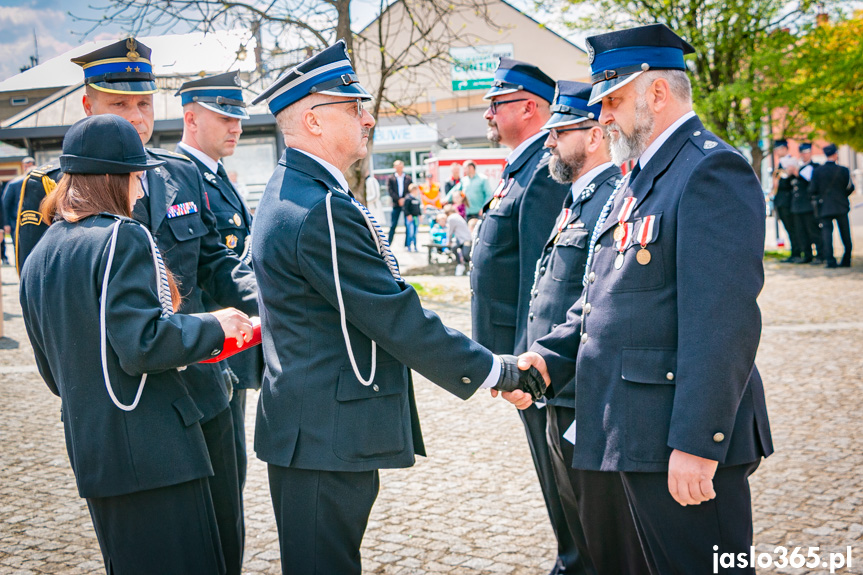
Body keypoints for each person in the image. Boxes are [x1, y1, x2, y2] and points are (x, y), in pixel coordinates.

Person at [249, 41, 544, 575]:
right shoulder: (321, 209)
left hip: (312, 430)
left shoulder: (294, 190)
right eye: (353, 107)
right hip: (325, 435)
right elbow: (395, 316)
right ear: (314, 121)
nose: (368, 117)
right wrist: (496, 371)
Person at [523, 24, 773, 574]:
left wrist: (698, 444)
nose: (603, 116)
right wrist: (546, 360)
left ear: (655, 93)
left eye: (610, 100)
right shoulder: (635, 178)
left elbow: (722, 324)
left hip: (675, 444)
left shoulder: (709, 170)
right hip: (627, 435)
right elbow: (603, 303)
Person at [13, 38, 260, 575]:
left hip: (206, 390)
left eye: (144, 103)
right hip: (135, 408)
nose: (136, 117)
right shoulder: (51, 189)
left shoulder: (181, 173)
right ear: (87, 106)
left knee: (222, 542)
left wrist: (274, 309)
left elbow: (217, 266)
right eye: (119, 104)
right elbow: (51, 309)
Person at [528, 80, 648, 575]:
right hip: (560, 385)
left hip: (585, 390)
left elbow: (596, 301)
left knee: (603, 524)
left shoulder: (607, 200)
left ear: (594, 136)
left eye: (559, 130)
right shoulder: (578, 199)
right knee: (575, 516)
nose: (549, 140)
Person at [470, 57, 578, 575]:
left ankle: (577, 560)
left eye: (497, 104)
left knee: (562, 475)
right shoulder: (523, 166)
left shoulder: (543, 173)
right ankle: (572, 555)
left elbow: (546, 288)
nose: (488, 114)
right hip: (520, 360)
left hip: (535, 363)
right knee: (550, 470)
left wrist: (526, 366)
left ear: (531, 108)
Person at [175, 71, 263, 508]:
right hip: (206, 349)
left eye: (238, 117)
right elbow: (208, 268)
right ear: (190, 117)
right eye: (225, 116)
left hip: (233, 346)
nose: (237, 126)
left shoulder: (216, 175)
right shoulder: (180, 178)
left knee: (234, 478)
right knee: (219, 489)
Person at [811, 143, 854, 268]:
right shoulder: (843, 170)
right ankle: (846, 260)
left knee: (827, 235)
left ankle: (830, 260)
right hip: (841, 206)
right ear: (835, 154)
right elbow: (850, 187)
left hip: (825, 207)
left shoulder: (818, 171)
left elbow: (812, 189)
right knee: (845, 234)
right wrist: (843, 195)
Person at [2, 156, 37, 270]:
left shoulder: (39, 182)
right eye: (26, 166)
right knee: (19, 249)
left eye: (30, 165)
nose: (28, 168)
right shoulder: (14, 184)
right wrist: (6, 223)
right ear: (23, 167)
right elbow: (5, 205)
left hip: (35, 221)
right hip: (16, 222)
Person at [791, 141, 823, 263]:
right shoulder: (798, 167)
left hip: (809, 205)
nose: (804, 155)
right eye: (802, 153)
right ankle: (807, 255)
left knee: (813, 231)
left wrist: (797, 174)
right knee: (801, 232)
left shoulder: (815, 167)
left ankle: (820, 254)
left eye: (807, 152)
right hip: (798, 206)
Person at [770, 140, 799, 261]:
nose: (776, 151)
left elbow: (786, 182)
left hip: (787, 200)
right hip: (781, 200)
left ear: (784, 148)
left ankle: (796, 252)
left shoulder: (791, 162)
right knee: (788, 228)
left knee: (792, 228)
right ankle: (795, 252)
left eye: (778, 149)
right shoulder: (781, 162)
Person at [386, 159, 412, 245]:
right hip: (396, 204)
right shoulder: (391, 178)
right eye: (397, 166)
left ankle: (407, 244)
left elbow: (410, 190)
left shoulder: (408, 178)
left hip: (406, 204)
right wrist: (398, 199)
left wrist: (405, 199)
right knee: (393, 225)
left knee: (407, 225)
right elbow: (390, 190)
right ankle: (388, 243)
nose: (399, 168)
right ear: (394, 167)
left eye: (400, 166)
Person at [443, 204, 471, 275]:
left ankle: (463, 266)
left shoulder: (451, 218)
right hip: (462, 239)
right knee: (455, 248)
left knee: (466, 255)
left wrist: (448, 241)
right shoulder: (457, 216)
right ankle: (461, 265)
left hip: (464, 239)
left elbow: (450, 231)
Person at [403, 183, 422, 252]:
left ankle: (415, 246)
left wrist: (420, 215)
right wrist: (408, 215)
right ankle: (408, 246)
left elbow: (418, 209)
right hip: (410, 218)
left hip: (415, 218)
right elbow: (405, 208)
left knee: (415, 233)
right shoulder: (408, 198)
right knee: (410, 232)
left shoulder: (416, 200)